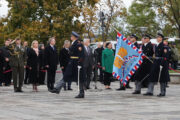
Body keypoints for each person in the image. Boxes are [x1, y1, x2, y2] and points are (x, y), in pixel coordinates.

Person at [50, 31, 85, 98]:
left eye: (71, 36)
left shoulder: (78, 44)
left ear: (74, 37)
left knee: (80, 78)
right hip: (72, 63)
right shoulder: (73, 43)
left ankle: (81, 92)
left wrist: (80, 63)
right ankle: (57, 88)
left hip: (76, 63)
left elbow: (82, 55)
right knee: (66, 76)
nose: (70, 37)